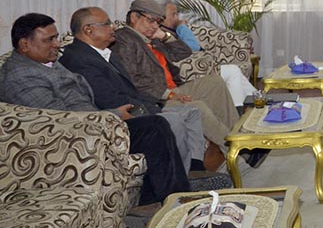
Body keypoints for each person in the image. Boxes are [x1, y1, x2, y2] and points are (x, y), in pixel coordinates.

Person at [0, 13, 190, 204]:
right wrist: (113, 115)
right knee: (154, 127)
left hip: (93, 124)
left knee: (156, 126)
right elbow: (58, 119)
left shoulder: (47, 62)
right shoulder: (20, 76)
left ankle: (167, 197)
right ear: (24, 44)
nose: (57, 44)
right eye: (49, 40)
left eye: (56, 37)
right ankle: (173, 201)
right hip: (74, 139)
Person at [59, 6, 219, 173]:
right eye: (107, 24)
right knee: (174, 120)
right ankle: (182, 179)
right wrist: (156, 108)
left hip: (148, 101)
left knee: (192, 112)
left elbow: (132, 89)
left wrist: (164, 37)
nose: (113, 27)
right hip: (122, 116)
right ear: (88, 30)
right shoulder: (79, 59)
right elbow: (110, 98)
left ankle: (195, 168)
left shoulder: (105, 53)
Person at [112, 0, 266, 167]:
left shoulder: (151, 38)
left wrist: (164, 36)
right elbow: (134, 81)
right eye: (151, 20)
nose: (155, 26)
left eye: (158, 22)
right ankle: (238, 150)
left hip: (173, 88)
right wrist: (170, 94)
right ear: (134, 17)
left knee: (215, 82)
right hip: (155, 98)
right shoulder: (125, 40)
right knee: (196, 106)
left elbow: (184, 52)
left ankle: (241, 138)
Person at [152, 0, 257, 106]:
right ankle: (243, 108)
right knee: (233, 71)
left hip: (199, 66)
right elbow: (193, 47)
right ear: (160, 16)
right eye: (173, 14)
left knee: (234, 72)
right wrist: (181, 27)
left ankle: (258, 100)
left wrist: (179, 27)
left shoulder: (168, 30)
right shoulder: (160, 34)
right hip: (192, 72)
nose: (176, 18)